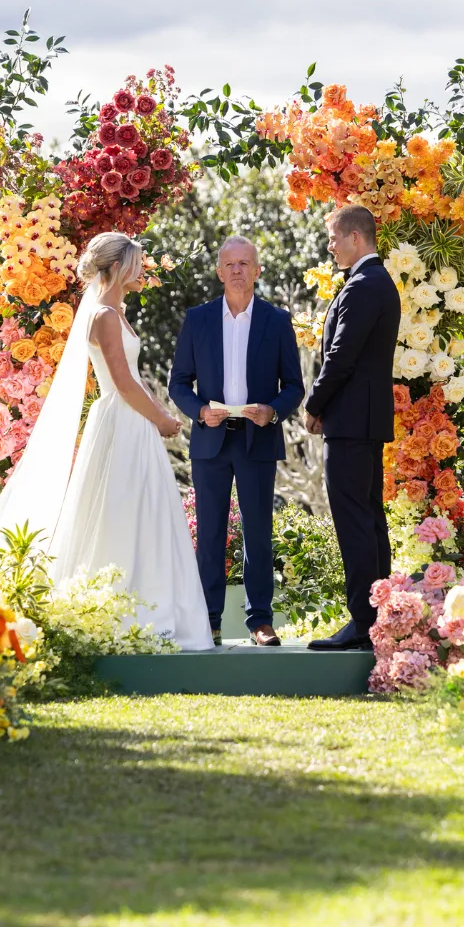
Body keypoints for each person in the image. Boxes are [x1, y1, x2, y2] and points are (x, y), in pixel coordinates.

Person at [0, 232, 213, 650]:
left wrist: (156, 412)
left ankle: (148, 606)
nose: (143, 270)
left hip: (131, 421)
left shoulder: (116, 313)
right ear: (120, 267)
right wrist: (161, 418)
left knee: (142, 509)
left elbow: (132, 378)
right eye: (137, 262)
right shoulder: (104, 315)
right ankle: (119, 613)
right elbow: (122, 382)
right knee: (119, 510)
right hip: (122, 421)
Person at [169, 235, 305, 645]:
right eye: (229, 264)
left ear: (257, 271)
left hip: (257, 440)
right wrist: (198, 412)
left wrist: (273, 411)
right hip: (211, 441)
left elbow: (294, 386)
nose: (237, 270)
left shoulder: (277, 321)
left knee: (258, 531)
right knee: (210, 532)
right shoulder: (198, 319)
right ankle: (207, 620)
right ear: (218, 271)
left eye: (245, 263)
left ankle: (260, 622)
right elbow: (179, 383)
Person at [304, 205, 401, 651]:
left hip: (350, 422)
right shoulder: (375, 282)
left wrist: (315, 403)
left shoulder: (363, 285)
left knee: (355, 521)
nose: (330, 246)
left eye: (334, 238)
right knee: (369, 519)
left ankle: (364, 621)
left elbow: (340, 355)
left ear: (356, 238)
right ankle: (380, 615)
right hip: (363, 421)